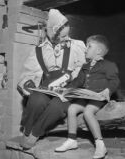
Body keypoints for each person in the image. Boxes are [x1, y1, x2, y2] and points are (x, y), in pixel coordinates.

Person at [17, 9, 86, 149]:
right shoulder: (39, 50)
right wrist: (29, 83)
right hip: (48, 86)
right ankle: (27, 130)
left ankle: (35, 134)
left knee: (57, 105)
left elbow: (84, 69)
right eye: (61, 37)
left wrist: (72, 81)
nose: (65, 39)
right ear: (53, 35)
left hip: (69, 87)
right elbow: (27, 74)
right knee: (36, 99)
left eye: (66, 36)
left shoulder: (77, 46)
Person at [55, 35, 120, 159]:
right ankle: (71, 140)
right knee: (72, 108)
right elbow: (78, 82)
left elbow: (114, 81)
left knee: (88, 112)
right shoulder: (85, 66)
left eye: (89, 46)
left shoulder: (108, 65)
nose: (85, 49)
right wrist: (66, 89)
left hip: (98, 98)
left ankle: (100, 144)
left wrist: (108, 90)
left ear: (99, 51)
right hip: (86, 97)